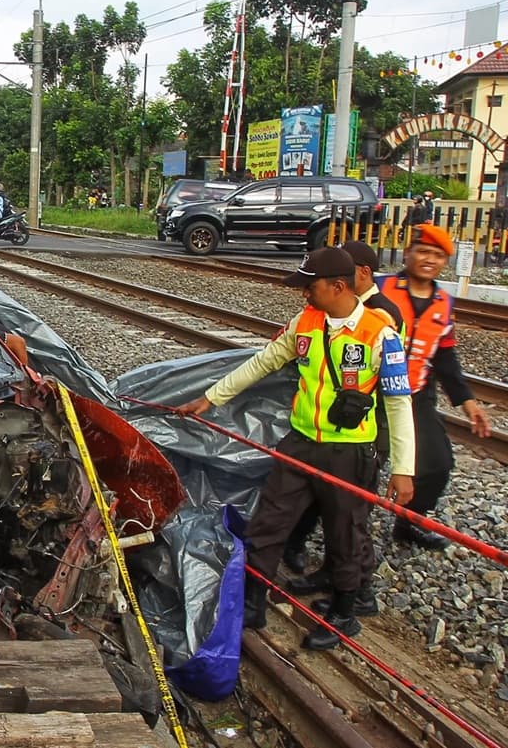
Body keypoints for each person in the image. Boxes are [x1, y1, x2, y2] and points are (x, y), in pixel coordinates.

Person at [177, 248, 415, 650]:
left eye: (310, 286)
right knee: (269, 522)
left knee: (345, 533)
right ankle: (253, 601)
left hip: (349, 451)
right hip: (300, 444)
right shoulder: (304, 323)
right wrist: (211, 397)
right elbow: (262, 362)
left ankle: (343, 614)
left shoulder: (380, 334)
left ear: (338, 287)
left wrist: (403, 468)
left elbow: (398, 402)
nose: (304, 293)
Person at [282, 240, 406, 606]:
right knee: (334, 513)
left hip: (365, 431)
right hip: (334, 431)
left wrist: (400, 462)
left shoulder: (381, 316)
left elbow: (393, 393)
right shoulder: (331, 312)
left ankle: (357, 595)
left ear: (358, 273)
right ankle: (333, 576)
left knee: (351, 520)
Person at [378, 225, 492, 549]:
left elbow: (445, 355)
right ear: (407, 254)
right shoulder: (381, 288)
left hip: (416, 394)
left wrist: (466, 401)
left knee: (438, 465)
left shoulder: (443, 302)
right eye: (423, 251)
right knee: (355, 467)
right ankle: (302, 537)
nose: (429, 259)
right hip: (371, 394)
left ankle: (408, 522)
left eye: (438, 255)